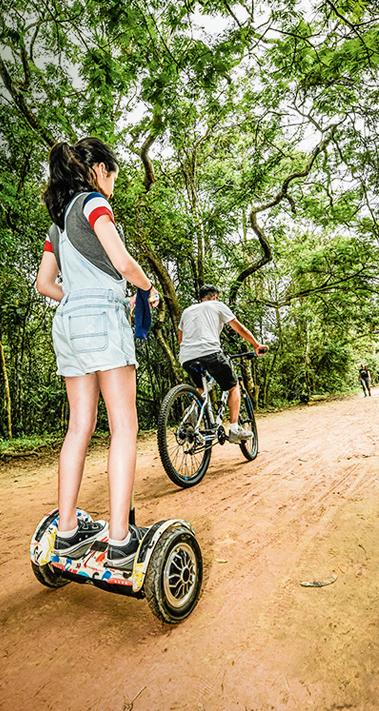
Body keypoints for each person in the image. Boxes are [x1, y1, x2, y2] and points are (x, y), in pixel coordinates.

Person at [36, 137, 157, 571]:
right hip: (101, 321)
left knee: (79, 428)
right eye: (114, 175)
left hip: (67, 322)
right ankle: (121, 539)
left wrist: (83, 298)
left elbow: (45, 286)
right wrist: (147, 289)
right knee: (124, 425)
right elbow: (123, 262)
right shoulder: (93, 204)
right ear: (101, 170)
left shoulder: (56, 225)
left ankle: (66, 531)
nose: (113, 184)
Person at [177, 285, 267, 442]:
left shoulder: (187, 311)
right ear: (214, 297)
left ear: (200, 299)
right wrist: (256, 345)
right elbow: (239, 328)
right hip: (210, 352)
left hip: (186, 357)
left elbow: (180, 340)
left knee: (200, 389)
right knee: (233, 386)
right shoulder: (216, 305)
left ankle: (192, 413)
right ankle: (234, 429)